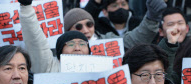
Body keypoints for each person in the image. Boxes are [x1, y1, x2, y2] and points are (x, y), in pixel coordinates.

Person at [19, 0, 167, 74]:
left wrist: (152, 18)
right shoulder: (52, 65)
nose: (85, 30)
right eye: (78, 27)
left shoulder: (110, 43)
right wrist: (26, 8)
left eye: (89, 24)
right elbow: (35, 41)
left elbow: (136, 39)